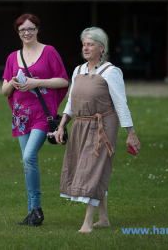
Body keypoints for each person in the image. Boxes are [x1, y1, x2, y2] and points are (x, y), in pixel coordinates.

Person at [55, 27, 141, 233]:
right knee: (89, 168)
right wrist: (61, 125)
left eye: (90, 44)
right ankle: (103, 219)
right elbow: (71, 102)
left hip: (103, 126)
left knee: (92, 169)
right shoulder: (78, 70)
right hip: (80, 125)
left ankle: (87, 223)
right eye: (84, 44)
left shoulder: (111, 72)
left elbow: (121, 104)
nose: (85, 48)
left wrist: (131, 132)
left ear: (101, 48)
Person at [2, 13, 69, 226]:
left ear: (37, 29)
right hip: (21, 115)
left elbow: (62, 81)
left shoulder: (49, 51)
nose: (27, 33)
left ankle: (37, 208)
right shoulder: (13, 57)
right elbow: (4, 90)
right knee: (27, 162)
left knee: (29, 157)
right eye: (22, 30)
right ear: (18, 33)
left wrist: (34, 82)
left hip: (42, 113)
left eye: (30, 28)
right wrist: (13, 82)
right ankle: (32, 212)